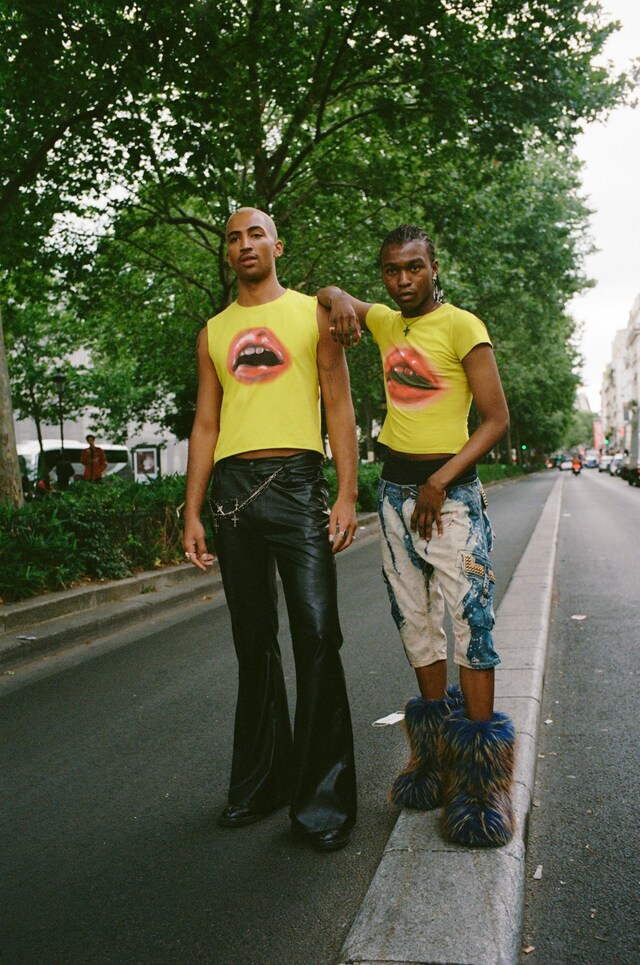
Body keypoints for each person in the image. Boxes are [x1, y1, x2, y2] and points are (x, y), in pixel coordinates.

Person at [317, 224, 515, 848]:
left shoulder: (462, 326)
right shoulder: (384, 322)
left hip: (449, 498)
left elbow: (496, 420)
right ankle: (433, 759)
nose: (402, 280)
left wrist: (440, 480)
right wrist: (338, 299)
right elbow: (329, 295)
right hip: (394, 497)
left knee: (472, 624)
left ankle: (480, 783)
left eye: (413, 268)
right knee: (415, 624)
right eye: (391, 270)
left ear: (434, 268)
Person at [183, 207, 358, 852]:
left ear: (277, 245)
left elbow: (338, 406)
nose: (244, 244)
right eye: (233, 238)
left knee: (317, 634)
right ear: (227, 254)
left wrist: (346, 494)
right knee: (252, 642)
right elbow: (206, 423)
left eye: (255, 233)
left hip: (297, 487)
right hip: (232, 496)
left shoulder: (315, 314)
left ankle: (323, 803)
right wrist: (191, 510)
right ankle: (262, 784)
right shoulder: (212, 333)